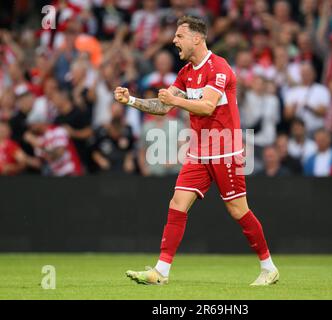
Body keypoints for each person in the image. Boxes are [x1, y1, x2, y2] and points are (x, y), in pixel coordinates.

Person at [114, 16, 279, 286]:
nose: (174, 40)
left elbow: (207, 106)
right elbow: (163, 106)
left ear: (197, 38)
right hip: (199, 151)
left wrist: (175, 100)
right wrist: (130, 100)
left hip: (226, 149)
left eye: (179, 36)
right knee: (177, 204)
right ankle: (161, 272)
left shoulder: (219, 67)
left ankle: (268, 267)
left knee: (238, 210)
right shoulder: (186, 72)